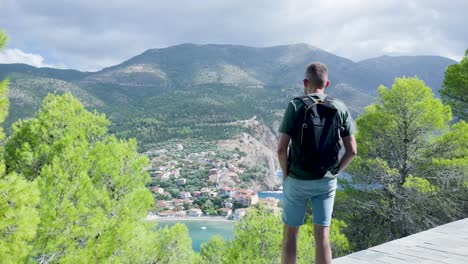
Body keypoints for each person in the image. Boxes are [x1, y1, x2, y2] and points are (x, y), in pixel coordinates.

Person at [277, 62, 357, 264]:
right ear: (327, 83)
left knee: (290, 235)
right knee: (322, 236)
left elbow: (281, 149)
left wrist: (286, 176)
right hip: (326, 181)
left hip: (297, 179)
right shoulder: (339, 107)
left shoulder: (296, 105)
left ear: (305, 82)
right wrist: (335, 172)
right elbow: (352, 151)